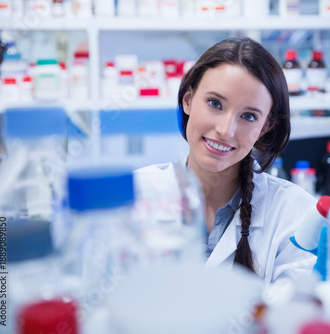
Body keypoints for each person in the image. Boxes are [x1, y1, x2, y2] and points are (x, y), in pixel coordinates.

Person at [134, 37, 317, 284]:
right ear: (188, 100)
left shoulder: (295, 213)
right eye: (215, 103)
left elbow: (294, 313)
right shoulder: (135, 194)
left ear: (265, 127)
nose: (226, 130)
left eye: (249, 116)